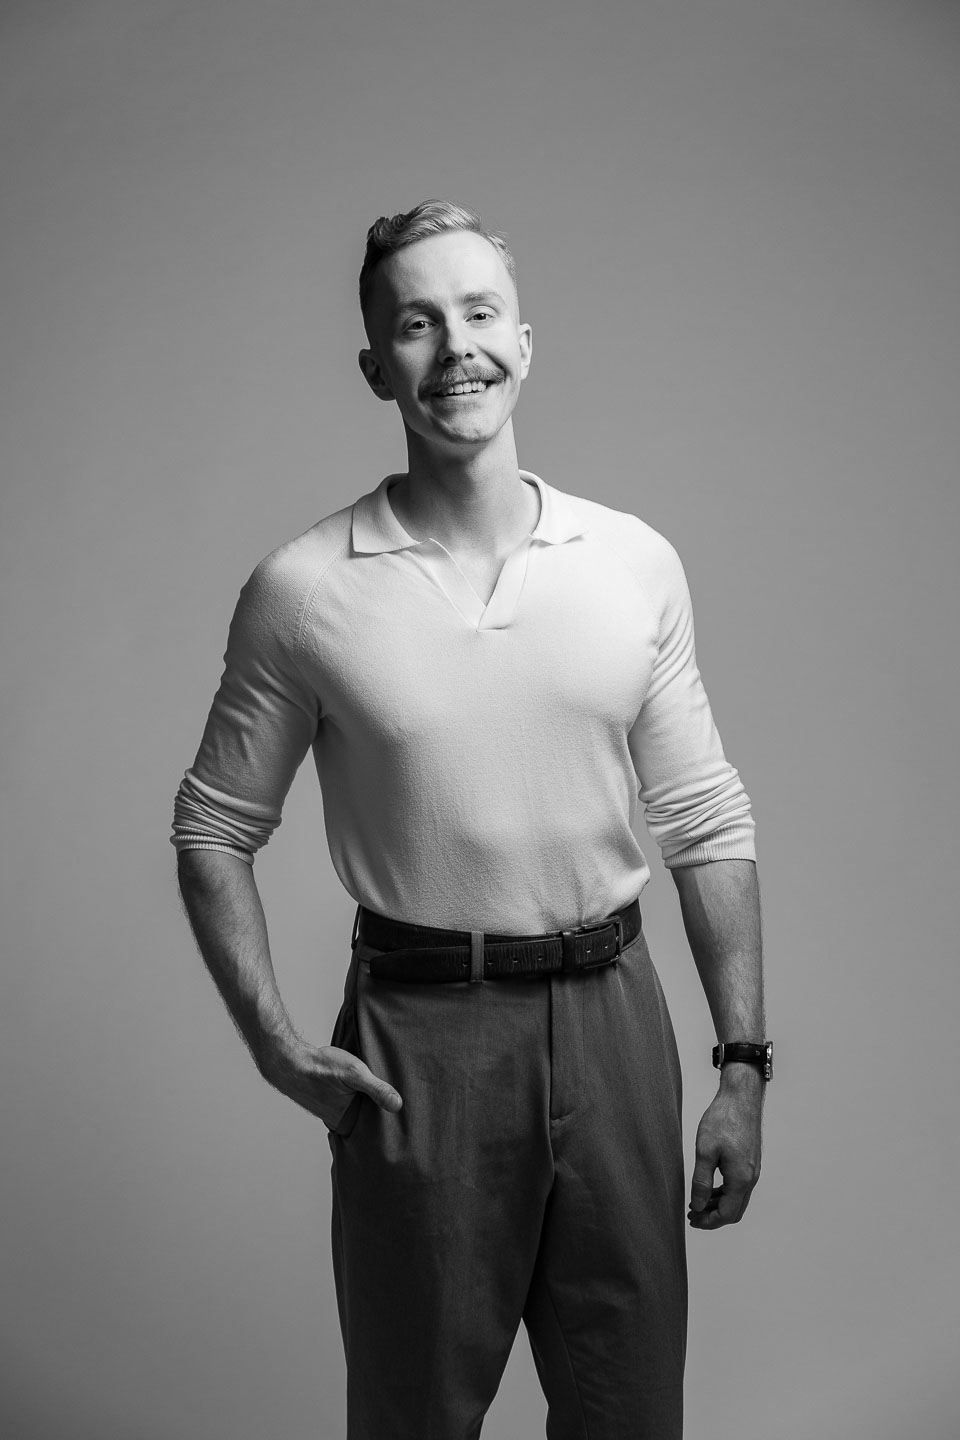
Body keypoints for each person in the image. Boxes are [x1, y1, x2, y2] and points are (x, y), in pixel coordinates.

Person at [173, 199, 769, 1440]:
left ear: (524, 343)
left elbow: (707, 819)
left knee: (629, 1414)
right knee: (414, 1417)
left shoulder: (631, 562)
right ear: (376, 367)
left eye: (480, 313)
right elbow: (213, 826)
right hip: (420, 1037)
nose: (457, 348)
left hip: (615, 1020)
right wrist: (274, 1044)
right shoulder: (303, 591)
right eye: (418, 324)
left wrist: (742, 1067)